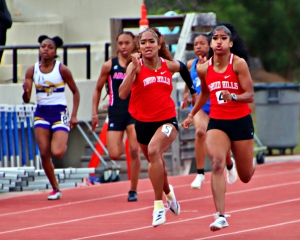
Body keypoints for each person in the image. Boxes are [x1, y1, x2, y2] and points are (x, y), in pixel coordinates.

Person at [119, 27, 197, 227]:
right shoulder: (133, 66)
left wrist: (193, 91)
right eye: (143, 42)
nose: (147, 46)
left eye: (151, 42)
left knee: (154, 151)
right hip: (143, 124)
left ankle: (158, 206)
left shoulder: (167, 65)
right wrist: (133, 70)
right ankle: (170, 195)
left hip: (167, 121)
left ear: (159, 44)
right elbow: (122, 94)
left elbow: (183, 68)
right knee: (157, 163)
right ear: (139, 46)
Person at [182, 23, 255, 231]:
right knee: (215, 164)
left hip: (240, 121)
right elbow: (204, 94)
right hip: (218, 122)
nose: (219, 41)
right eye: (215, 38)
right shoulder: (203, 68)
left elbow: (250, 95)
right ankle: (220, 215)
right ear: (211, 43)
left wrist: (233, 96)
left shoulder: (238, 64)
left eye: (223, 38)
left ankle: (249, 165)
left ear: (230, 43)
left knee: (246, 176)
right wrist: (191, 114)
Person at [22, 35, 80, 200]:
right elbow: (26, 99)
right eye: (43, 46)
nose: (45, 49)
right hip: (41, 113)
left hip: (59, 113)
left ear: (55, 51)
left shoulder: (62, 69)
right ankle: (55, 188)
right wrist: (25, 92)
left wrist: (74, 115)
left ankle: (62, 142)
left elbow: (76, 91)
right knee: (44, 153)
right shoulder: (32, 70)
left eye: (49, 47)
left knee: (58, 152)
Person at [181, 34, 238, 189]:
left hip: (216, 106)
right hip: (200, 106)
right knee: (200, 132)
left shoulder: (216, 63)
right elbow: (189, 80)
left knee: (220, 141)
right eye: (195, 44)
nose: (198, 46)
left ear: (210, 46)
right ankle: (200, 174)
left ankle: (229, 163)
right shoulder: (191, 64)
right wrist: (186, 93)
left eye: (202, 43)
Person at [91, 31, 141, 202]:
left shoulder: (139, 64)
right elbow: (97, 89)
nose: (123, 47)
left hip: (134, 113)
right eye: (120, 43)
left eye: (127, 43)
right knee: (114, 154)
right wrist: (95, 113)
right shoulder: (109, 65)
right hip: (115, 113)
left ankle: (133, 189)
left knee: (135, 150)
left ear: (134, 44)